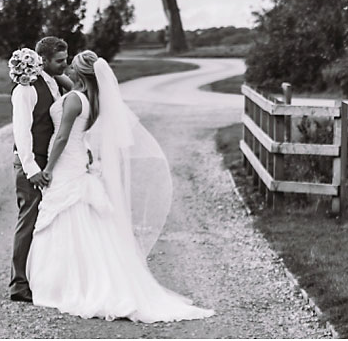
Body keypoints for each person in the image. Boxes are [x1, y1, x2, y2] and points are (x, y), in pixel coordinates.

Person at [25, 48, 213, 323]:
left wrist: (48, 168)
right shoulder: (90, 99)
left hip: (66, 161)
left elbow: (63, 136)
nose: (67, 68)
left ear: (80, 73)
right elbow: (66, 82)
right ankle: (81, 277)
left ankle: (68, 283)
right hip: (79, 161)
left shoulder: (75, 100)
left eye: (72, 66)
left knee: (66, 215)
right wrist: (38, 69)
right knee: (80, 218)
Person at [8, 36, 72, 304]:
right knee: (29, 221)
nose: (64, 64)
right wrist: (31, 167)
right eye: (60, 60)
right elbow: (21, 132)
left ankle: (40, 279)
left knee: (48, 221)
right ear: (42, 60)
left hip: (48, 162)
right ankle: (18, 285)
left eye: (66, 58)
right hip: (31, 165)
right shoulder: (26, 89)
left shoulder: (53, 82)